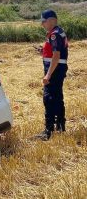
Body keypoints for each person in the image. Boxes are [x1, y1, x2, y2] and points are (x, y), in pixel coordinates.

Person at [36, 9, 68, 141]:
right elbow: (54, 53)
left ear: (51, 20)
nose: (42, 24)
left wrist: (47, 76)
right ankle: (60, 126)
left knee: (48, 99)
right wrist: (43, 51)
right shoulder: (59, 31)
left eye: (43, 21)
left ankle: (48, 131)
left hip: (54, 71)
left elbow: (56, 56)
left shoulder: (54, 34)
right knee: (57, 97)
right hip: (59, 69)